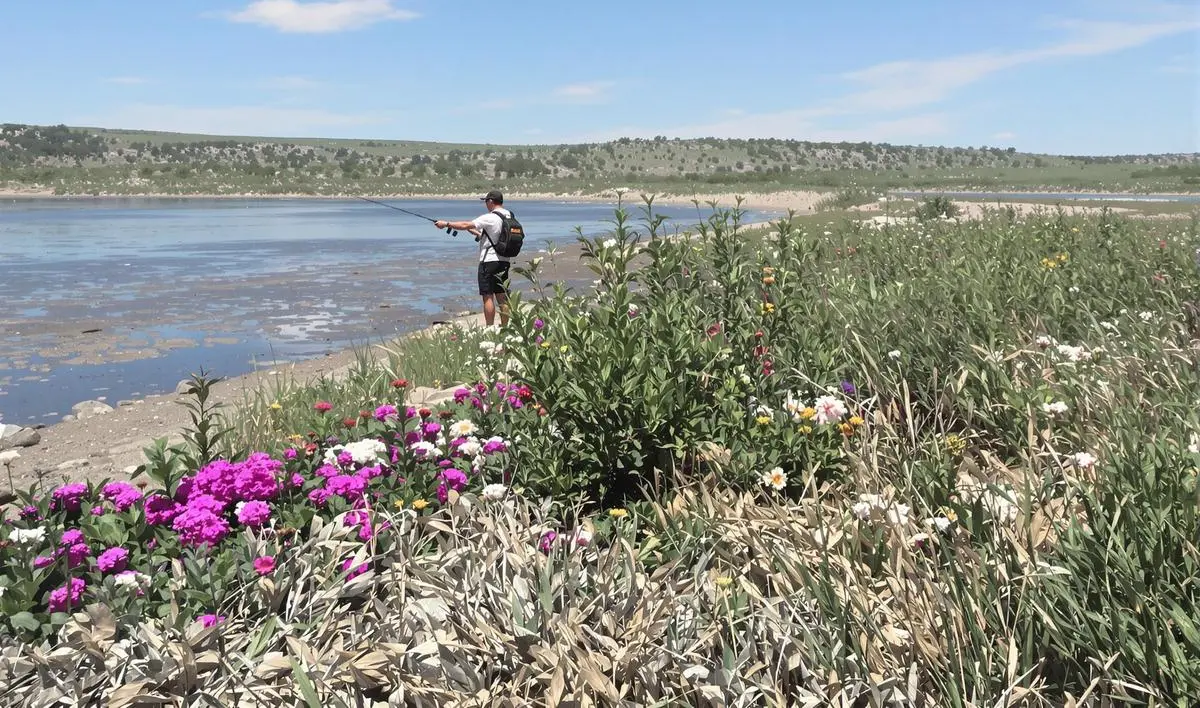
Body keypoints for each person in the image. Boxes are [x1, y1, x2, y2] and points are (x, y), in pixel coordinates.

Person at [435, 190, 512, 326]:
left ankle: (489, 328)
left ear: (490, 201)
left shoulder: (490, 217)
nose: (485, 204)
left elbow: (465, 225)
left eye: (486, 201)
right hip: (504, 261)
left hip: (488, 262)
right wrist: (473, 232)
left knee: (488, 296)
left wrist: (446, 224)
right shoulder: (509, 216)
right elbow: (490, 235)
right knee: (502, 296)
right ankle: (506, 327)